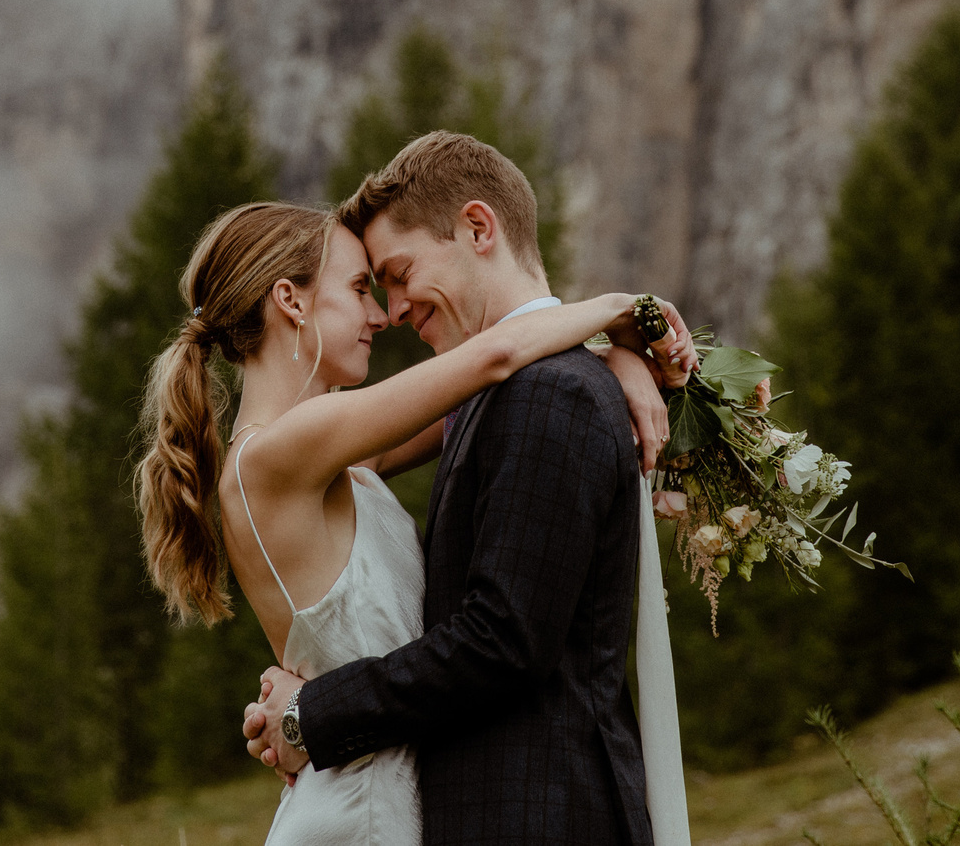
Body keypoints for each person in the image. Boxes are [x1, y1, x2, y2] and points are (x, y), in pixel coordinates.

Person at [136, 137, 693, 846]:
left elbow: (501, 400)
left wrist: (620, 362)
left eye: (388, 281)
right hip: (363, 811)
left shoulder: (342, 458)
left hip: (409, 795)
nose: (383, 312)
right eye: (361, 289)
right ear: (289, 300)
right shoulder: (281, 451)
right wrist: (621, 309)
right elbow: (493, 359)